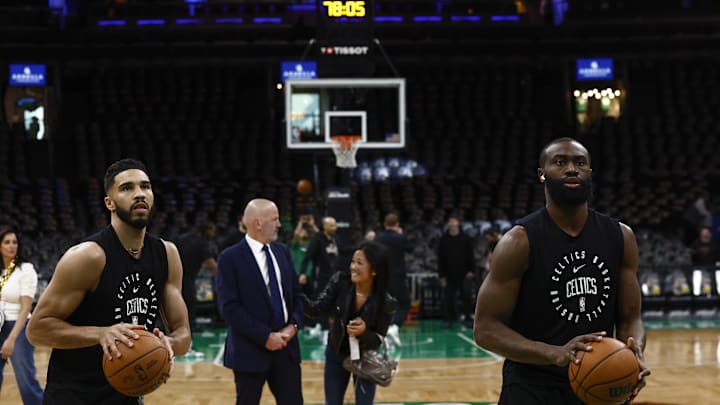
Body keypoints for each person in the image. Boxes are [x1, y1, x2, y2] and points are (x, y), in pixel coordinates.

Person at [473, 138, 650, 404]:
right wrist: (554, 353)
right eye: (560, 162)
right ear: (542, 174)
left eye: (580, 163)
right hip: (532, 387)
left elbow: (631, 317)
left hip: (598, 384)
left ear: (590, 172)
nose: (571, 169)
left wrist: (633, 352)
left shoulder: (620, 236)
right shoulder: (519, 241)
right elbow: (486, 329)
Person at [26, 158, 191, 404]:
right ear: (109, 202)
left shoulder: (167, 255)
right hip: (74, 396)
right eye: (127, 188)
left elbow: (183, 334)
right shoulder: (88, 257)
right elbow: (37, 330)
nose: (139, 194)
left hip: (128, 394)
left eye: (145, 187)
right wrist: (101, 334)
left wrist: (167, 344)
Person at [215, 198, 304, 405]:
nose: (279, 225)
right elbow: (229, 308)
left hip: (286, 347)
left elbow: (298, 296)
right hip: (250, 350)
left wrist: (293, 326)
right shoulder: (229, 258)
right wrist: (265, 336)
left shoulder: (282, 251)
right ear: (257, 223)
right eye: (275, 219)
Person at [303, 240, 397, 405]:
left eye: (359, 263)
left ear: (374, 270)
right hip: (336, 354)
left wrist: (364, 332)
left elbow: (378, 338)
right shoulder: (340, 282)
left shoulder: (386, 302)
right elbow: (317, 309)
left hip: (365, 359)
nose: (353, 267)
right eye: (352, 261)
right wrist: (296, 295)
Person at [0, 227, 43, 404]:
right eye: (7, 242)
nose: (11, 246)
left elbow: (25, 308)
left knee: (26, 381)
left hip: (17, 327)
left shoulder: (26, 269)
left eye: (15, 242)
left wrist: (11, 339)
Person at [374, 213, 412, 346]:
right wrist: (401, 234)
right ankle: (394, 326)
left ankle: (383, 333)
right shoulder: (400, 237)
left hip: (383, 276)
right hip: (398, 276)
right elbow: (410, 249)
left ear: (385, 224)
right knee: (405, 304)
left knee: (384, 306)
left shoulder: (378, 239)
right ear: (397, 225)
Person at [176, 222, 218, 333]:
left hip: (174, 271)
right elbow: (211, 263)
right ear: (206, 230)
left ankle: (178, 325)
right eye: (212, 230)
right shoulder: (202, 243)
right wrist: (223, 276)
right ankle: (190, 325)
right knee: (189, 300)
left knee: (178, 299)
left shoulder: (185, 237)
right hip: (186, 274)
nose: (214, 233)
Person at [437, 214, 476, 327]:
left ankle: (468, 318)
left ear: (458, 223)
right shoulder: (443, 239)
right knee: (448, 297)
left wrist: (471, 270)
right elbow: (440, 258)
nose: (452, 224)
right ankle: (448, 319)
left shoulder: (465, 238)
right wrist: (441, 275)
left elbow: (471, 255)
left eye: (454, 221)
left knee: (467, 297)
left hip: (464, 273)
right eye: (450, 222)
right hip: (449, 274)